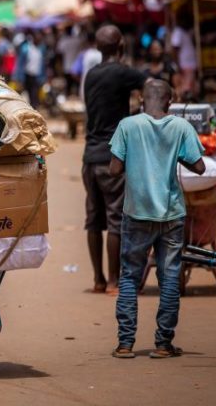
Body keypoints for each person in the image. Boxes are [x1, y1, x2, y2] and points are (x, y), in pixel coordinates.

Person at [109, 80, 205, 359]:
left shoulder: (127, 125)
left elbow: (114, 169)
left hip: (136, 213)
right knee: (170, 277)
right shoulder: (181, 127)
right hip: (171, 214)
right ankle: (163, 344)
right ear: (170, 102)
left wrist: (137, 158)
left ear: (141, 100)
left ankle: (125, 344)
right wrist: (174, 155)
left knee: (130, 276)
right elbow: (199, 167)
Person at [83, 25, 147, 294]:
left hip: (90, 158)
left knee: (93, 221)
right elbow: (153, 85)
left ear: (98, 48)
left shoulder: (91, 75)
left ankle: (98, 279)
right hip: (112, 158)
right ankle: (113, 281)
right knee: (115, 220)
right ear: (120, 46)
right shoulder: (122, 72)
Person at [170, 19, 198, 100]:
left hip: (189, 65)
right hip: (184, 65)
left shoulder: (186, 32)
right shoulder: (178, 31)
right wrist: (177, 64)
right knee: (185, 90)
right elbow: (175, 48)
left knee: (191, 89)